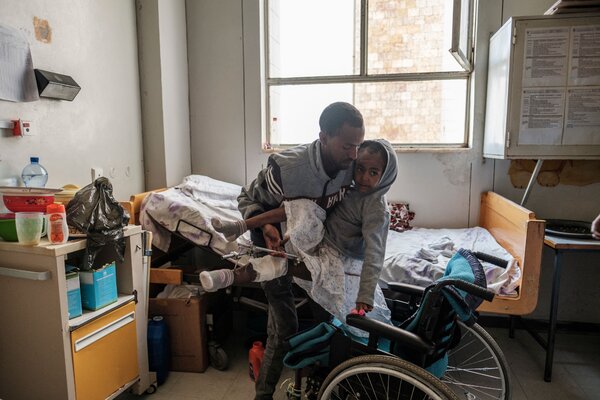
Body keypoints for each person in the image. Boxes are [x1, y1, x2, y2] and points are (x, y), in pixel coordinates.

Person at [233, 102, 365, 400]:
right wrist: (267, 230)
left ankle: (324, 387)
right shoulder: (286, 169)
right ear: (323, 137)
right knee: (285, 327)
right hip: (273, 246)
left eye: (357, 145)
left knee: (330, 318)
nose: (354, 155)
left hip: (313, 252)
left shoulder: (351, 165)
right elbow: (247, 198)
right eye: (347, 146)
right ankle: (263, 394)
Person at [202, 140, 397, 321]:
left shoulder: (377, 209)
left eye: (373, 173)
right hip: (322, 237)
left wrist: (366, 294)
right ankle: (239, 227)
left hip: (340, 256)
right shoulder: (347, 185)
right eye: (360, 169)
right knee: (302, 205)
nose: (363, 177)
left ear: (386, 175)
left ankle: (228, 277)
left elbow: (375, 253)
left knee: (285, 267)